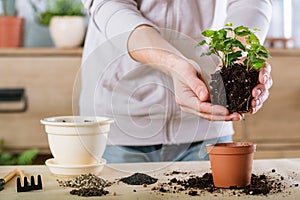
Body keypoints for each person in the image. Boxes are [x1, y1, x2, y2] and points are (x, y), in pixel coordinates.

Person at [79, 0, 273, 163]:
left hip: (207, 120)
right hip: (118, 119)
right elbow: (109, 5)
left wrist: (240, 53)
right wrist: (173, 63)